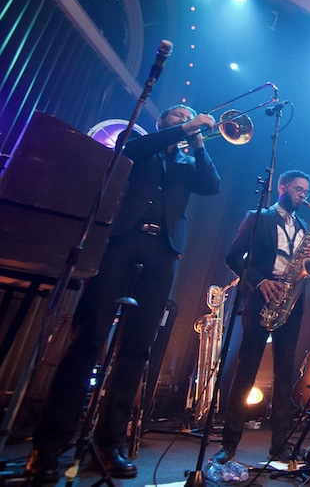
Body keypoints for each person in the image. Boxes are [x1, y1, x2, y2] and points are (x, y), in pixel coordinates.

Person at [26, 105, 220, 482]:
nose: (185, 120)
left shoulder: (188, 159)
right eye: (178, 116)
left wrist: (198, 142)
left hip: (164, 251)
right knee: (89, 339)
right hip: (119, 242)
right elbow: (130, 155)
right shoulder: (136, 141)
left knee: (136, 349)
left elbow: (211, 186)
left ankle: (109, 443)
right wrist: (185, 129)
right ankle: (48, 445)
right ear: (162, 122)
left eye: (189, 117)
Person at [214, 170, 310, 464]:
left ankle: (280, 445)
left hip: (291, 302)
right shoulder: (258, 216)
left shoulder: (302, 225)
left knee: (285, 374)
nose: (303, 195)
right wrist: (259, 281)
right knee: (246, 371)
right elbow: (232, 257)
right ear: (282, 187)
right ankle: (229, 443)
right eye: (298, 189)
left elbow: (303, 267)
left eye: (306, 191)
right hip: (261, 297)